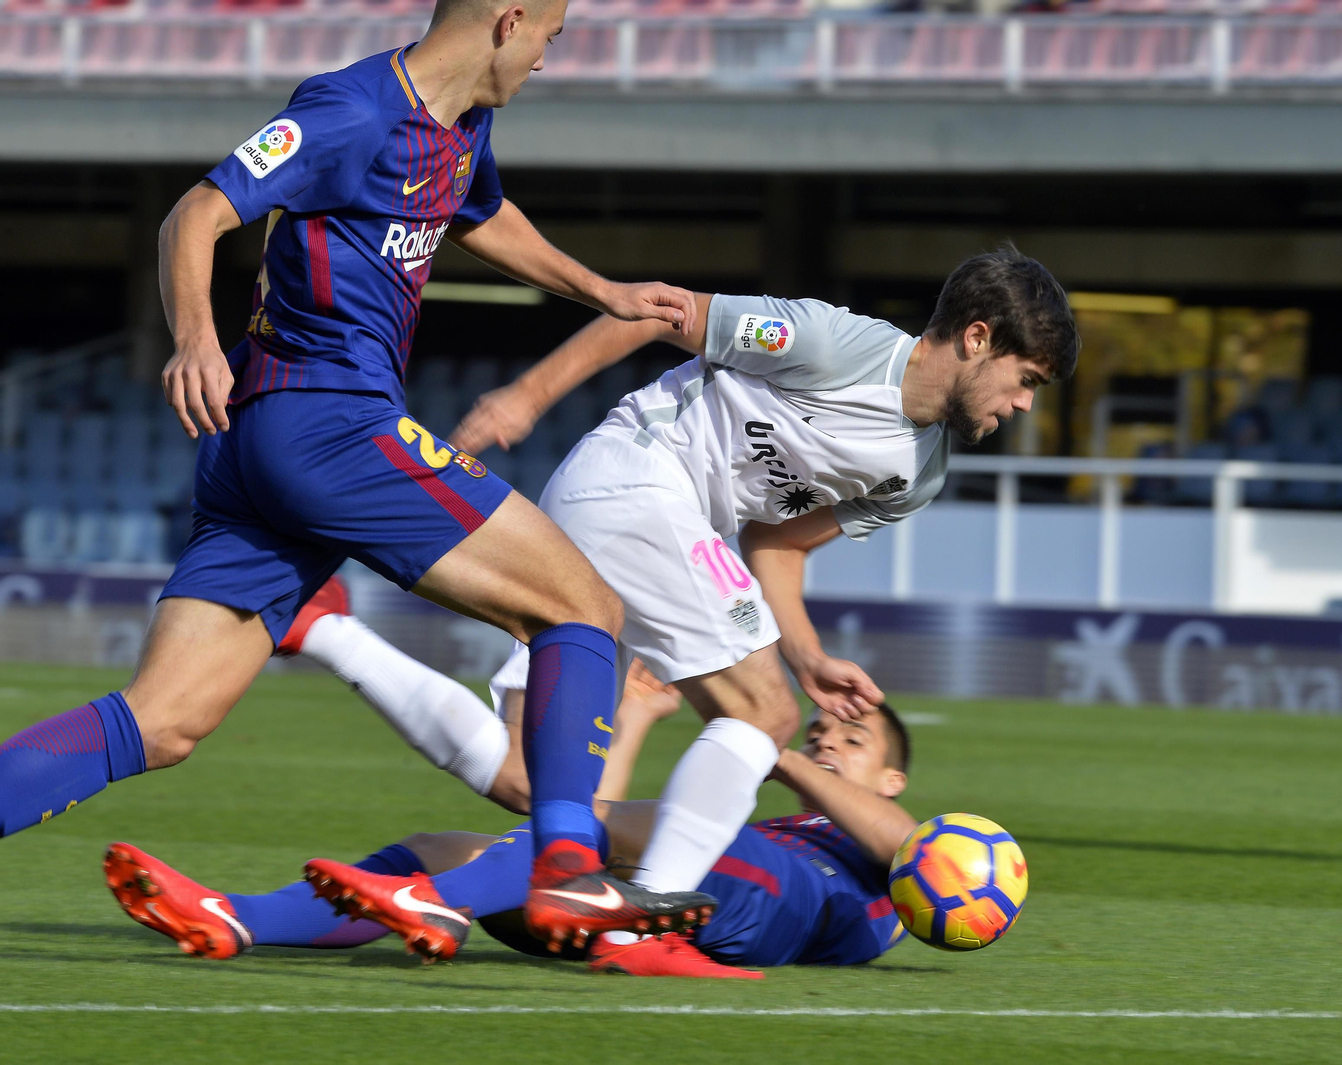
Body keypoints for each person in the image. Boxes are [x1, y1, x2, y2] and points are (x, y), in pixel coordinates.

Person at [0, 0, 719, 941]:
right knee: (584, 610)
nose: (548, 59)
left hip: (258, 451)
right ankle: (571, 868)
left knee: (165, 719)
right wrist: (194, 340)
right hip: (328, 423)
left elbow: (481, 214)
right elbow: (197, 212)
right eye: (552, 34)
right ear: (508, 21)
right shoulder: (351, 111)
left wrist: (604, 292)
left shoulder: (462, 125)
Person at [442, 245, 1076, 950]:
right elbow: (661, 311)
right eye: (1026, 380)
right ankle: (642, 920)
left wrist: (806, 655)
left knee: (531, 776)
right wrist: (526, 397)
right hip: (637, 480)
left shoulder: (917, 474)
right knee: (765, 713)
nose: (1022, 404)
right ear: (978, 337)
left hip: (649, 524)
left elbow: (777, 543)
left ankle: (398, 851)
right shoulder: (833, 343)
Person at [103, 661, 920, 978]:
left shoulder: (897, 856)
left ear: (893, 777)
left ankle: (440, 903)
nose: (825, 740)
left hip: (787, 901)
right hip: (707, 901)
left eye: (850, 739)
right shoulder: (773, 825)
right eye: (819, 731)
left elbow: (908, 848)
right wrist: (635, 719)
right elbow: (589, 818)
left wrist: (765, 744)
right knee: (446, 847)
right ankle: (236, 917)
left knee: (595, 833)